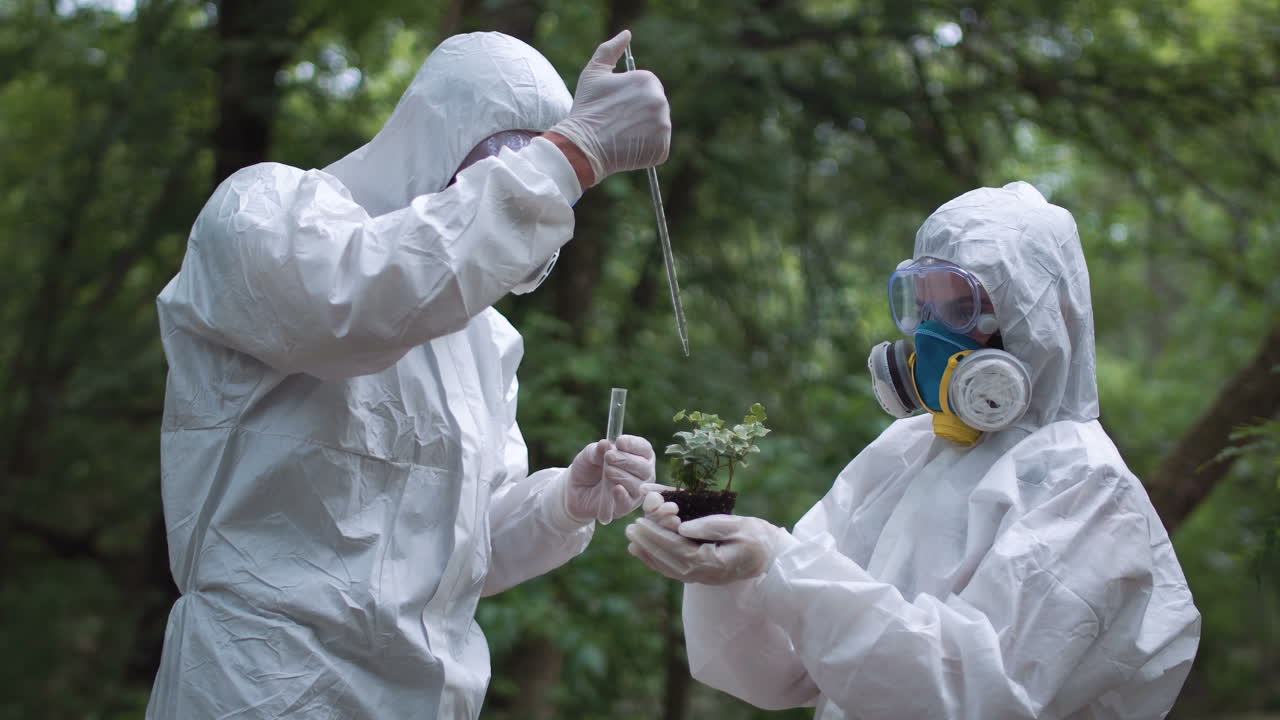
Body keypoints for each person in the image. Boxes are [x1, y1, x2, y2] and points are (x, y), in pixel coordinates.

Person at [147, 30, 667, 719]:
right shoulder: (263, 215)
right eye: (508, 157)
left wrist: (562, 502)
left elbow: (465, 552)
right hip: (262, 687)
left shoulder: (487, 341)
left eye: (535, 161)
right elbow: (357, 304)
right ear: (436, 135)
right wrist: (572, 153)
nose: (525, 182)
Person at [626, 182, 1201, 719]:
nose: (928, 333)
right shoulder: (910, 448)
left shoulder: (1086, 487)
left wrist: (781, 563)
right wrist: (729, 571)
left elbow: (971, 691)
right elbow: (784, 670)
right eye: (922, 307)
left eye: (958, 309)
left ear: (1036, 323)